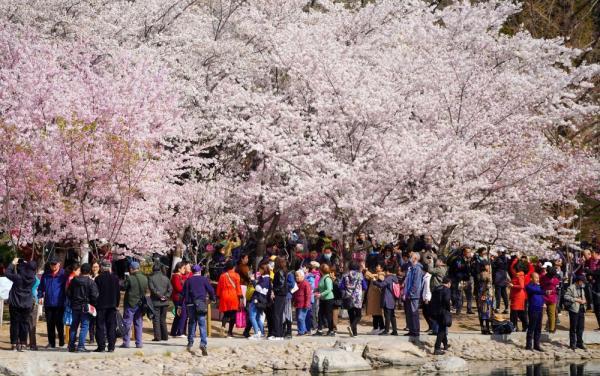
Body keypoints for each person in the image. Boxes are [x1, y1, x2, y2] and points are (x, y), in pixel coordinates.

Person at [183, 264, 215, 355]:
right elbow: (211, 290)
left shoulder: (188, 281)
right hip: (200, 303)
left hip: (190, 304)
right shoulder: (204, 280)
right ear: (199, 271)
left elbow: (183, 294)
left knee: (192, 323)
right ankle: (203, 343)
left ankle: (190, 342)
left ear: (192, 272)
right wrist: (212, 298)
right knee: (202, 324)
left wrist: (180, 306)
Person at [67, 263, 99, 353]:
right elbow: (95, 295)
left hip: (75, 306)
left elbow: (68, 293)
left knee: (74, 326)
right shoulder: (90, 282)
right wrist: (93, 304)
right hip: (86, 306)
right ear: (89, 271)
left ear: (81, 270)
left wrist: (73, 300)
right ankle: (81, 346)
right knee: (84, 326)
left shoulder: (74, 281)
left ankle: (71, 345)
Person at [6, 258, 36, 352]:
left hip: (15, 303)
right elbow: (28, 270)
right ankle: (23, 344)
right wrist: (26, 264)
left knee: (14, 323)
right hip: (27, 304)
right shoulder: (33, 280)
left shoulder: (18, 277)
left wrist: (13, 263)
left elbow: (7, 273)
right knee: (24, 324)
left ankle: (14, 344)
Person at [38, 257, 67, 348]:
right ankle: (51, 342)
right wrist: (40, 296)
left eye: (55, 264)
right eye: (51, 264)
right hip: (48, 303)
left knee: (59, 324)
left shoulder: (64, 275)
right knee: (50, 324)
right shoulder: (46, 275)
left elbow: (67, 288)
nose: (53, 266)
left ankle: (61, 341)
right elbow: (41, 287)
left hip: (60, 303)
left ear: (59, 264)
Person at [94, 260, 120, 352]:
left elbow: (95, 293)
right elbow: (118, 293)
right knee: (111, 326)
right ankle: (111, 347)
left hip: (101, 305)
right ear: (109, 267)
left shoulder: (98, 279)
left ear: (101, 267)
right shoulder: (115, 278)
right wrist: (117, 304)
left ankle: (101, 346)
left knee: (100, 326)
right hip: (112, 305)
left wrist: (95, 303)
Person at [121, 261, 148, 349]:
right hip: (140, 303)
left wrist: (125, 279)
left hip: (130, 303)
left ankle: (126, 342)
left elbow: (124, 287)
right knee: (138, 323)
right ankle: (139, 343)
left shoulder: (130, 278)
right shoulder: (145, 278)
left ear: (131, 269)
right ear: (139, 268)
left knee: (127, 323)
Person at [216, 260, 243, 337]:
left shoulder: (222, 276)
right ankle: (230, 332)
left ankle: (223, 326)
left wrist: (218, 296)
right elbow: (238, 287)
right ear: (234, 267)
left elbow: (219, 288)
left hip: (224, 296)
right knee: (233, 315)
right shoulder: (236, 275)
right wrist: (240, 296)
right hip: (233, 296)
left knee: (226, 314)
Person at [340, 262, 366, 337]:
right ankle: (353, 327)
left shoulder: (345, 275)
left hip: (348, 297)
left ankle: (354, 333)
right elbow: (365, 286)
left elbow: (341, 286)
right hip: (358, 297)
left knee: (351, 314)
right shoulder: (360, 275)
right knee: (358, 315)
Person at [148, 263, 172, 341]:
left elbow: (152, 289)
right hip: (165, 302)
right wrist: (166, 296)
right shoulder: (166, 278)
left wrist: (159, 296)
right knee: (163, 319)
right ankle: (165, 336)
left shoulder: (151, 278)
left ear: (153, 270)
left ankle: (158, 337)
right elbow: (170, 289)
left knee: (156, 319)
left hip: (156, 301)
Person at [402, 252, 423, 337]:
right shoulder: (410, 267)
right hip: (407, 293)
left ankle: (415, 331)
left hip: (413, 295)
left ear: (415, 259)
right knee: (409, 313)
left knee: (414, 313)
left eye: (411, 257)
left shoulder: (418, 269)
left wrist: (411, 293)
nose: (410, 258)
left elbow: (416, 283)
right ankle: (411, 330)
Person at [248, 261, 271, 339]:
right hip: (261, 299)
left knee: (252, 316)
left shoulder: (266, 279)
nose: (259, 271)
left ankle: (257, 332)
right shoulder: (265, 278)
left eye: (260, 269)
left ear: (264, 270)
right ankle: (261, 332)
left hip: (257, 299)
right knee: (257, 317)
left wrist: (253, 280)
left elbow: (258, 288)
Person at [564, 275, 587, 350]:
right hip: (574, 309)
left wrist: (584, 301)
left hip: (581, 309)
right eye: (582, 281)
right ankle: (572, 344)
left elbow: (583, 296)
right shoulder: (571, 287)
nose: (583, 283)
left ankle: (579, 343)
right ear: (578, 281)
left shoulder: (582, 288)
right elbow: (566, 296)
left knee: (581, 328)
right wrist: (576, 300)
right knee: (573, 327)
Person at [375, 264, 399, 336]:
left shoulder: (389, 278)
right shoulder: (395, 278)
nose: (385, 273)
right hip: (392, 299)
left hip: (387, 299)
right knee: (392, 315)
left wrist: (375, 282)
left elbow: (381, 285)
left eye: (385, 272)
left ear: (388, 271)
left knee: (387, 315)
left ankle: (386, 330)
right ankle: (395, 331)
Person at [430, 277, 452, 355]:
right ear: (449, 283)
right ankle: (437, 348)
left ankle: (445, 345)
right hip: (443, 311)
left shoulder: (436, 288)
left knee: (442, 326)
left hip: (435, 311)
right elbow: (446, 300)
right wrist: (449, 309)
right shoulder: (446, 290)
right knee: (442, 330)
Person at [524, 272, 545, 351]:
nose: (538, 279)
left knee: (538, 328)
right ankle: (528, 345)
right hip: (533, 309)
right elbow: (537, 291)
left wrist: (543, 303)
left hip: (540, 308)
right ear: (531, 279)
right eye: (536, 278)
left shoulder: (539, 286)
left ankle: (537, 345)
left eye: (538, 278)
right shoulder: (529, 286)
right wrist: (545, 291)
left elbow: (541, 295)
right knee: (531, 327)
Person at [314, 263, 335, 336]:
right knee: (320, 314)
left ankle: (331, 330)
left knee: (328, 315)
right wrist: (315, 290)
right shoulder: (322, 277)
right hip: (322, 299)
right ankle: (319, 330)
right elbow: (321, 286)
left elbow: (329, 289)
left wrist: (320, 294)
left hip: (328, 299)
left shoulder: (327, 278)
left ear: (321, 270)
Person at [270, 257, 288, 340]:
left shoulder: (279, 272)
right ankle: (280, 334)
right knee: (280, 314)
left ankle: (277, 334)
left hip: (279, 294)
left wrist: (274, 290)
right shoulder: (283, 271)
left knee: (277, 314)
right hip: (283, 294)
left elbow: (280, 284)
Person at [365, 264, 385, 334]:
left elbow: (379, 279)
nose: (376, 267)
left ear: (382, 268)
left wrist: (368, 272)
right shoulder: (375, 275)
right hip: (373, 297)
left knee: (378, 313)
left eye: (378, 266)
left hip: (377, 297)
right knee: (374, 313)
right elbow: (367, 276)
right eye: (376, 266)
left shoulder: (382, 275)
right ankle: (375, 327)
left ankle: (381, 327)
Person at [170, 262, 188, 337]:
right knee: (183, 314)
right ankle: (180, 332)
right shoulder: (175, 277)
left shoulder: (181, 276)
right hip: (178, 298)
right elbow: (178, 288)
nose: (185, 269)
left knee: (178, 315)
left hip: (181, 297)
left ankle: (173, 331)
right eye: (183, 268)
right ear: (179, 269)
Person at [540, 265, 560, 333]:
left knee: (551, 315)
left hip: (551, 298)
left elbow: (557, 290)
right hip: (543, 298)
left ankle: (551, 329)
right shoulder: (542, 278)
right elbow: (540, 287)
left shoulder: (555, 279)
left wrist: (552, 291)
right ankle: (539, 328)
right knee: (541, 314)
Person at [293, 269, 311, 336]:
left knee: (301, 317)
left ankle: (301, 331)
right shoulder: (296, 283)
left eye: (298, 276)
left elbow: (308, 295)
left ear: (302, 276)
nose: (296, 277)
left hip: (303, 304)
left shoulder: (305, 283)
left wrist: (307, 304)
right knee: (298, 318)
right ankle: (304, 330)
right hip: (298, 304)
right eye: (296, 276)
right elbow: (294, 294)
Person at [477, 261, 494, 334]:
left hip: (481, 293)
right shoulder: (485, 274)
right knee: (486, 311)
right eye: (488, 265)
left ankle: (483, 328)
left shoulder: (479, 274)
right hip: (485, 294)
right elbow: (487, 286)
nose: (489, 267)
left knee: (483, 311)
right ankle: (486, 329)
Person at [29, 272, 40, 350]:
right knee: (32, 324)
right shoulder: (35, 279)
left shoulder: (22, 277)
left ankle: (21, 343)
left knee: (23, 323)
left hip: (23, 301)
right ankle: (32, 344)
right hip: (33, 301)